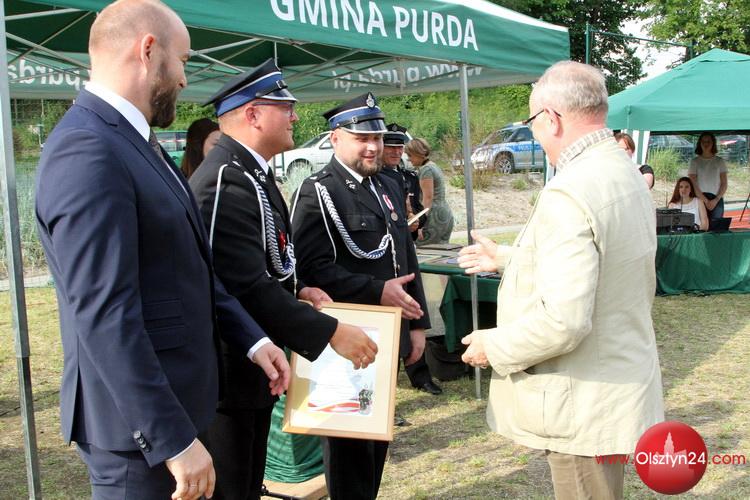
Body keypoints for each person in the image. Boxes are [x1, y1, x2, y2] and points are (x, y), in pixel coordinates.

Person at [33, 2, 290, 499]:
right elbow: (105, 312)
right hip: (139, 437)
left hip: (177, 408)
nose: (185, 79)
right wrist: (170, 437)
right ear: (148, 50)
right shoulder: (87, 147)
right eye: (184, 60)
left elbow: (188, 267)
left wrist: (253, 340)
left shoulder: (133, 140)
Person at [457, 61, 664, 500]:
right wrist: (510, 258)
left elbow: (564, 321)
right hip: (612, 384)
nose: (534, 133)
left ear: (551, 118)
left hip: (584, 401)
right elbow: (607, 261)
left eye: (532, 121)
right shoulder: (620, 169)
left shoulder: (571, 189)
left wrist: (493, 346)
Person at [189, 59, 378, 499]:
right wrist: (329, 331)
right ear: (253, 114)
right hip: (229, 376)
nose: (295, 116)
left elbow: (265, 264)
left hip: (256, 367)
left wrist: (299, 289)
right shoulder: (225, 179)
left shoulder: (250, 172)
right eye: (285, 107)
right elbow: (237, 285)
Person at [291, 92, 431, 500]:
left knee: (375, 448)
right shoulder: (318, 191)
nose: (372, 147)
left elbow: (405, 257)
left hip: (388, 336)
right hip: (346, 340)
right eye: (361, 139)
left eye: (377, 138)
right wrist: (376, 290)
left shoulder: (388, 184)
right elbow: (309, 268)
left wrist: (418, 324)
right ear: (336, 139)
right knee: (349, 453)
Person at [379, 123, 442, 396]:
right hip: (384, 258)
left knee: (414, 310)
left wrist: (416, 224)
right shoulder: (375, 178)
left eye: (399, 148)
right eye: (390, 147)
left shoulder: (407, 176)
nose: (395, 152)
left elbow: (418, 210)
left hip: (406, 251)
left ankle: (420, 373)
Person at [404, 137, 454, 245]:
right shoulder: (433, 165)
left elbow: (428, 198)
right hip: (444, 214)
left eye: (410, 155)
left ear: (418, 153)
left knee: (424, 250)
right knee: (440, 251)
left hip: (434, 218)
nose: (408, 159)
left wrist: (421, 224)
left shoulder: (426, 170)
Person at [689, 132, 728, 220]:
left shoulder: (720, 161)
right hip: (700, 199)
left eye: (708, 141)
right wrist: (705, 201)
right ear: (699, 143)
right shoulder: (694, 162)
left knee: (716, 227)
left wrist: (716, 200)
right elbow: (693, 184)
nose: (706, 144)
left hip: (717, 199)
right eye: (703, 141)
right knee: (701, 226)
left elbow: (724, 183)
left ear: (713, 143)